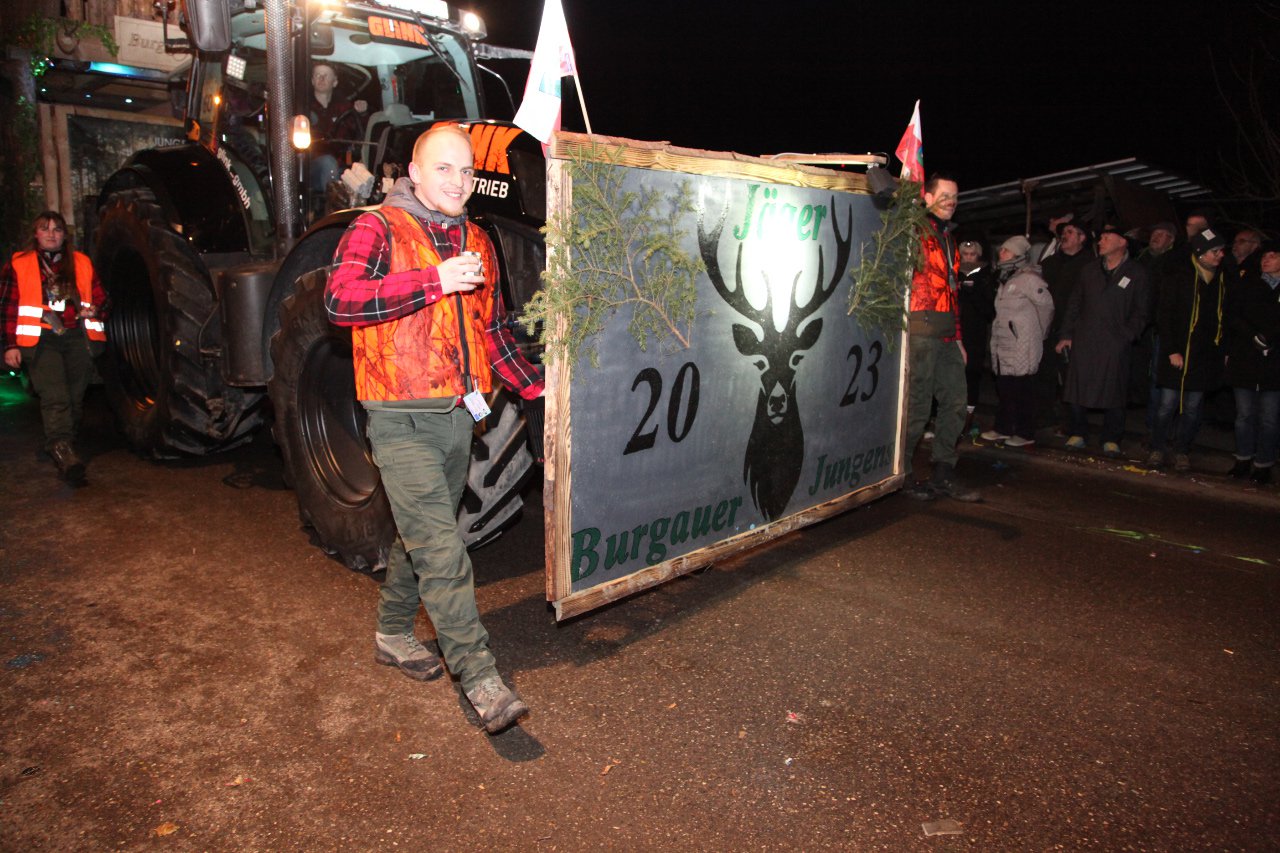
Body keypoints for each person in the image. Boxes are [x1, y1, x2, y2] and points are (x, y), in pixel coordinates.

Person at [325, 124, 543, 734]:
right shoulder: (377, 227)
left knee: (424, 533)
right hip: (399, 417)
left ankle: (393, 631)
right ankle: (480, 677)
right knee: (444, 551)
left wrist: (537, 390)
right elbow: (340, 300)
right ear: (414, 173)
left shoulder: (477, 238)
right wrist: (434, 281)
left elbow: (491, 330)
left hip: (458, 417)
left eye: (466, 170)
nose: (458, 180)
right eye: (443, 168)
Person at [0, 211, 107, 484]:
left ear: (64, 235)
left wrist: (95, 309)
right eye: (45, 228)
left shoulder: (81, 263)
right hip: (41, 341)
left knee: (74, 398)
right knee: (56, 397)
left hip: (77, 338)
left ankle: (64, 443)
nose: (51, 234)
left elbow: (101, 297)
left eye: (57, 229)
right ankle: (62, 450)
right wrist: (9, 346)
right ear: (35, 234)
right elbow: (7, 308)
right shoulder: (19, 264)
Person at [902, 174, 980, 502]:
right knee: (918, 408)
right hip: (920, 331)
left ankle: (943, 472)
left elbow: (952, 291)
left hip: (947, 334)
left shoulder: (949, 237)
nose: (951, 201)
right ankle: (901, 472)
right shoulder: (913, 230)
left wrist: (958, 338)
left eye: (955, 197)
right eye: (945, 195)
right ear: (928, 197)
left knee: (956, 403)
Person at [1055, 222, 1149, 457]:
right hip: (1085, 338)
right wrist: (1066, 334)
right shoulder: (1089, 270)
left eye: (1107, 237)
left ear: (1122, 242)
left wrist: (1127, 335)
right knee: (1077, 388)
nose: (1100, 241)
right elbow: (1075, 303)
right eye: (1101, 238)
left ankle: (1111, 437)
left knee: (1114, 390)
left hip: (1115, 342)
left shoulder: (1136, 273)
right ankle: (1078, 432)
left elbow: (1142, 311)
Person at [1147, 228, 1227, 472]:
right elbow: (1164, 315)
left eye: (1221, 251)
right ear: (1201, 252)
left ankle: (1182, 449)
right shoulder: (1180, 277)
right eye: (1215, 251)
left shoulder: (1221, 281)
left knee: (1192, 408)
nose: (1220, 255)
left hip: (1203, 357)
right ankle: (1157, 447)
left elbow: (1223, 319)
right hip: (1177, 354)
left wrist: (1221, 350)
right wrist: (1171, 350)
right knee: (1167, 405)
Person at [981, 236, 1054, 448]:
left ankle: (1024, 431)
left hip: (1022, 341)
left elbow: (1047, 307)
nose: (1001, 253)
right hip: (1004, 341)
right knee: (1005, 386)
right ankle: (1003, 427)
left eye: (1006, 250)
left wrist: (1038, 332)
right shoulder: (1005, 279)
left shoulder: (1030, 279)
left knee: (1022, 388)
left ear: (1018, 254)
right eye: (1002, 249)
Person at [1223, 240, 1280, 484]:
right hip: (1245, 358)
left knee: (1269, 417)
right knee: (1244, 414)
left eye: (1273, 256)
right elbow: (1232, 314)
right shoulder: (1248, 283)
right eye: (1264, 256)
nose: (1266, 260)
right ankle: (1243, 458)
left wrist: (1270, 337)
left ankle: (1264, 463)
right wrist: (1252, 335)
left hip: (1274, 362)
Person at [1036, 220, 1093, 430]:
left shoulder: (1090, 266)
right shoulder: (1050, 263)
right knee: (1045, 373)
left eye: (1070, 232)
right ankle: (1045, 416)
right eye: (1064, 232)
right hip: (1047, 327)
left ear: (1082, 237)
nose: (1064, 236)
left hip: (1074, 330)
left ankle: (1073, 423)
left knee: (1071, 377)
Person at [957, 239, 996, 439]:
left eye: (972, 254)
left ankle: (968, 419)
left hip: (975, 334)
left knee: (972, 374)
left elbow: (989, 310)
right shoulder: (953, 273)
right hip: (955, 332)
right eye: (965, 254)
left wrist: (973, 292)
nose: (968, 258)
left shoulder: (985, 277)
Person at [308, 62, 368, 190]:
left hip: (340, 165)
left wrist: (362, 114)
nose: (321, 78)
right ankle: (332, 200)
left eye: (326, 75)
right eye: (318, 75)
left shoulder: (344, 108)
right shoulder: (303, 110)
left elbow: (359, 132)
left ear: (335, 82)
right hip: (311, 168)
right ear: (312, 81)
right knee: (328, 163)